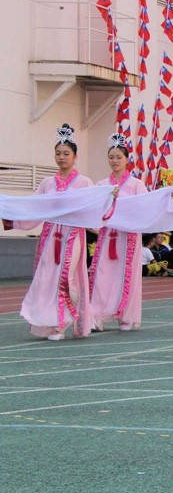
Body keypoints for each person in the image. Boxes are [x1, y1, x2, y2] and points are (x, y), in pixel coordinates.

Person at [11, 124, 94, 341]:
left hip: (72, 235)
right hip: (50, 236)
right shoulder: (47, 183)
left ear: (75, 156)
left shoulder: (84, 182)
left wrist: (109, 198)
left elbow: (93, 208)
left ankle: (61, 324)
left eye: (66, 153)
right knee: (46, 280)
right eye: (58, 153)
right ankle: (53, 321)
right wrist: (9, 210)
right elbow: (34, 207)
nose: (61, 157)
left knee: (65, 279)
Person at [90, 133, 148, 331]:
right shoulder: (101, 185)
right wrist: (107, 197)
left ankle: (126, 316)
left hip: (128, 237)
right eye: (111, 157)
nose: (114, 161)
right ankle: (97, 315)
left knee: (126, 274)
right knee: (102, 274)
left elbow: (143, 208)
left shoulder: (136, 185)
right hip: (107, 236)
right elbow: (94, 209)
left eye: (118, 157)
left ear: (127, 159)